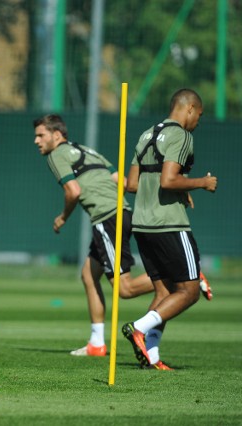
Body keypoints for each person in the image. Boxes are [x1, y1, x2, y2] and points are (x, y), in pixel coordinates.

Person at [33, 114, 155, 357]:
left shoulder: (56, 155)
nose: (36, 141)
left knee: (124, 289)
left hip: (107, 217)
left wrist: (63, 217)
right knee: (89, 275)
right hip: (120, 213)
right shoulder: (86, 151)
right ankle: (97, 344)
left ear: (57, 135)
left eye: (41, 135)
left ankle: (180, 276)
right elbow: (120, 180)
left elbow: (73, 191)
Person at [122, 88, 216, 370]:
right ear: (189, 109)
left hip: (142, 224)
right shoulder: (182, 136)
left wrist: (179, 190)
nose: (198, 122)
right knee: (188, 291)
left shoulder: (146, 134)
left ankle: (151, 357)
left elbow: (132, 185)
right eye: (199, 115)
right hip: (169, 224)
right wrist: (201, 183)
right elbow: (168, 180)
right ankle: (139, 328)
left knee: (163, 294)